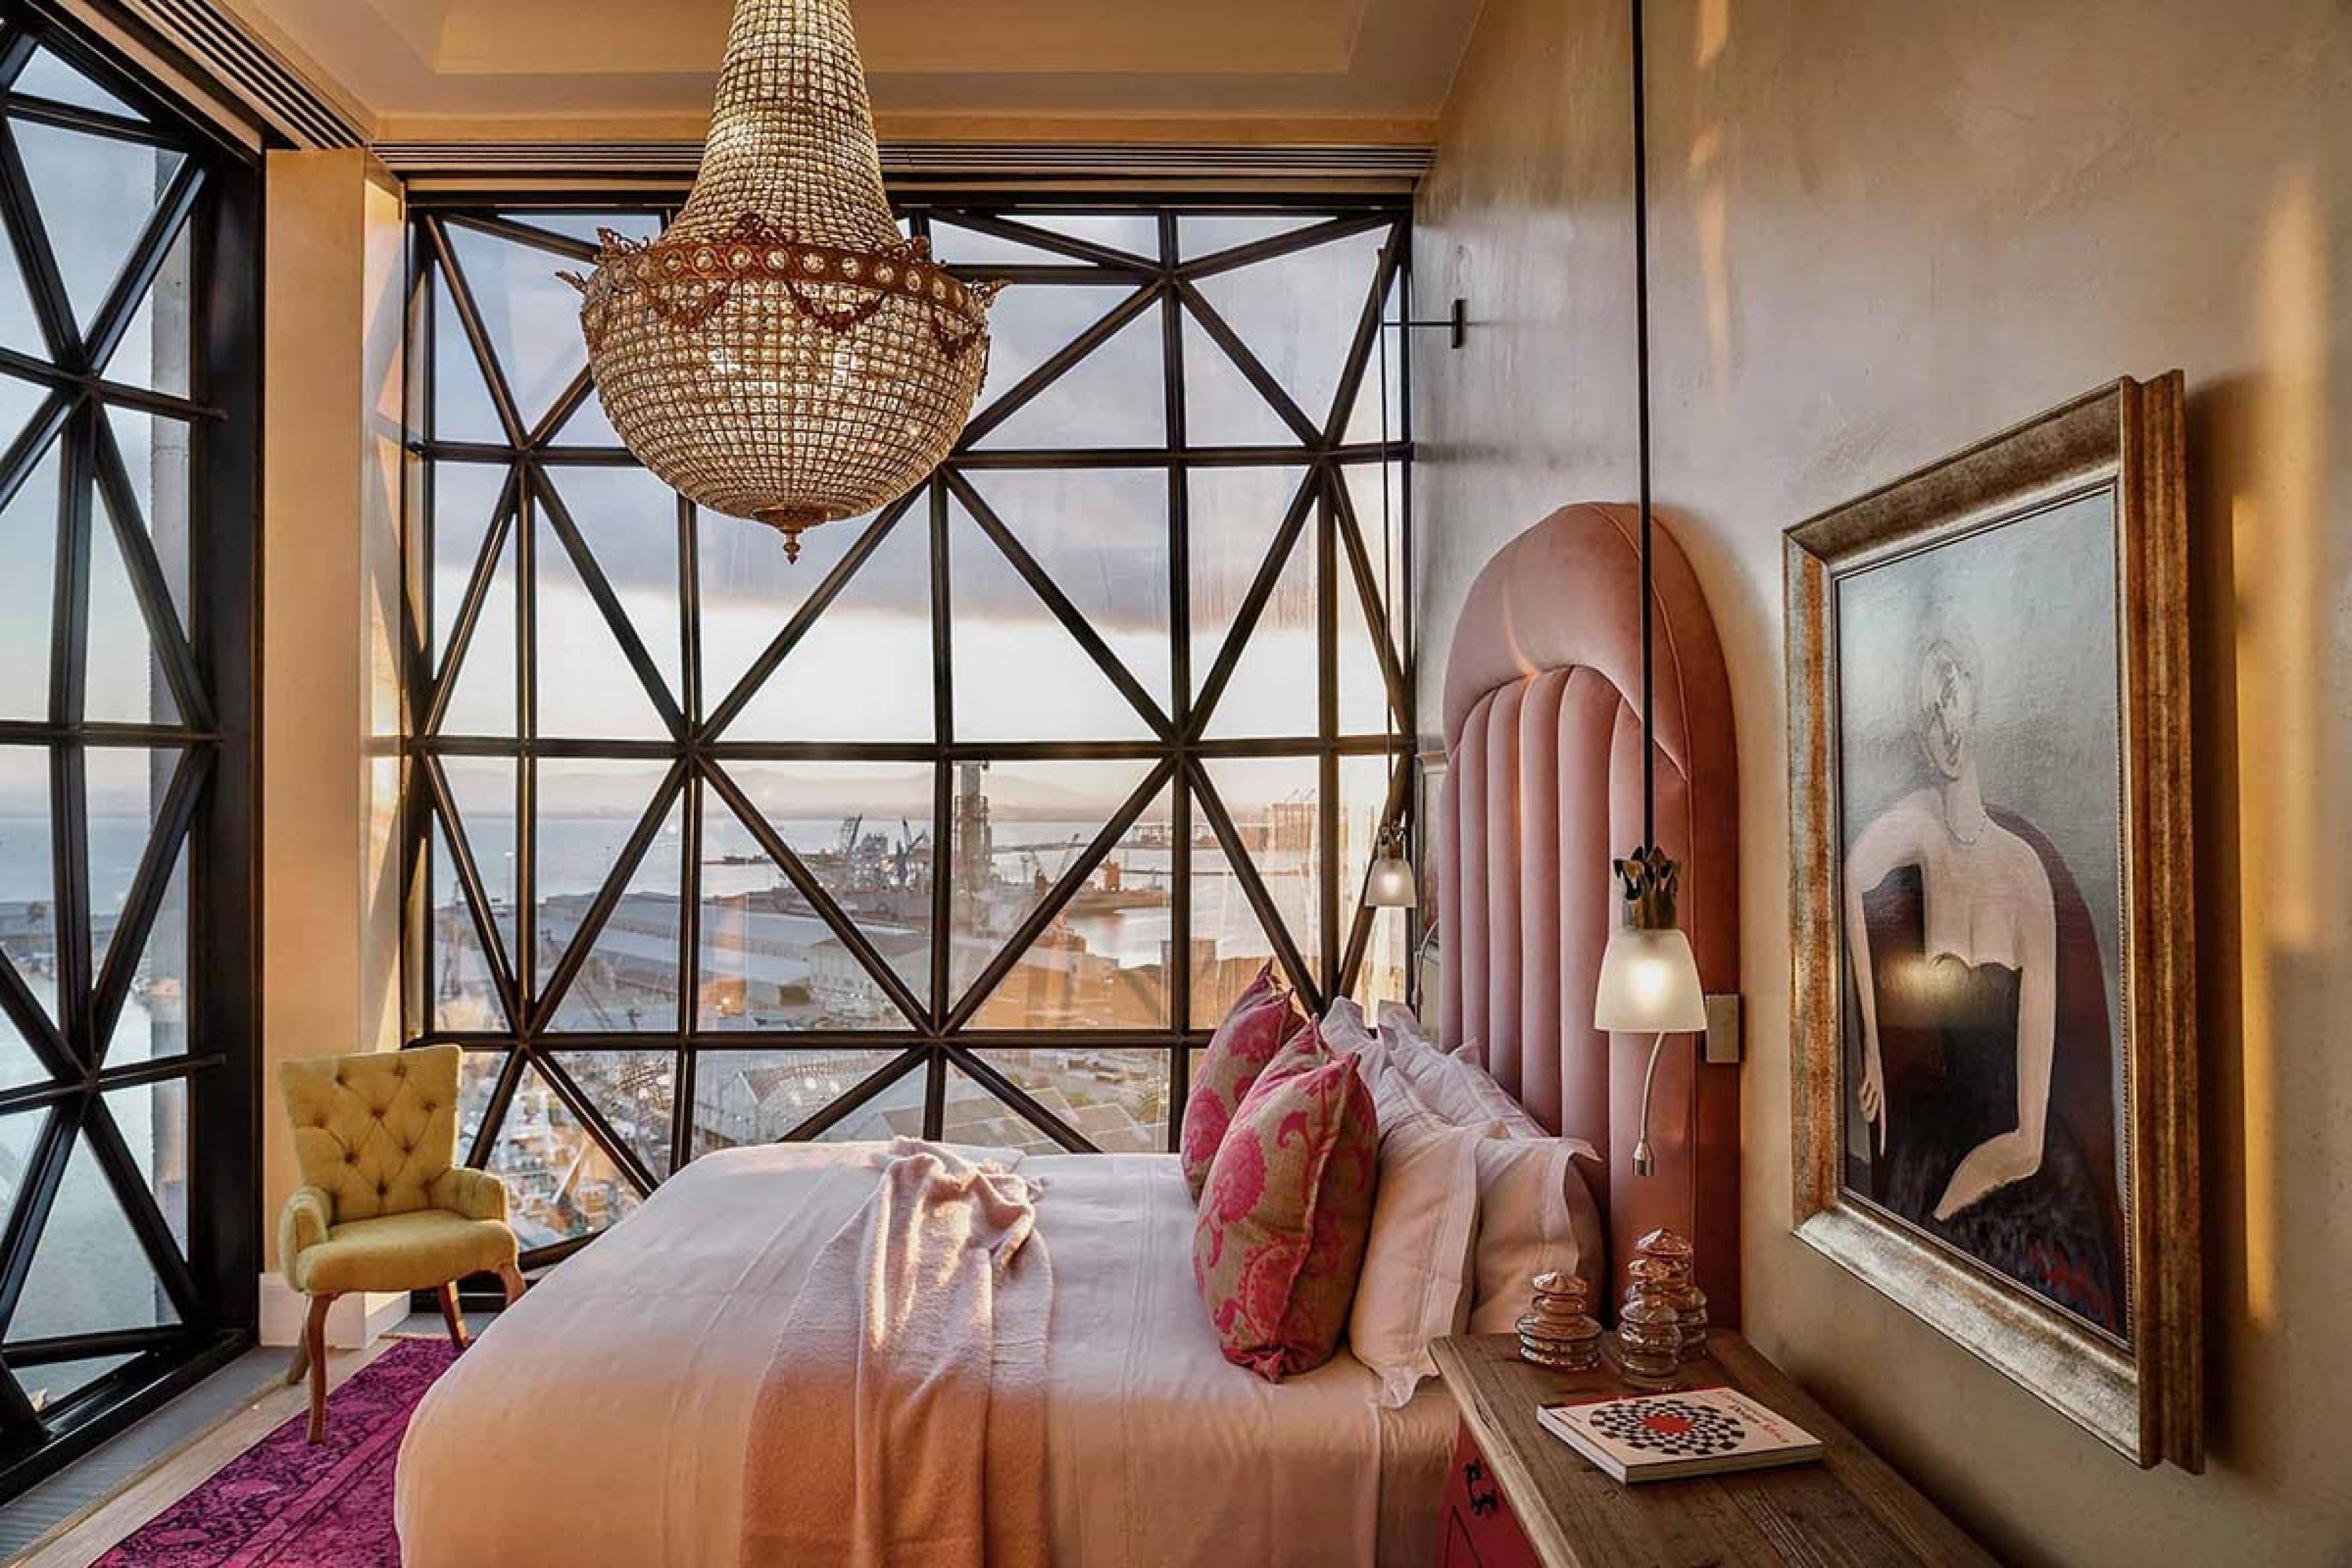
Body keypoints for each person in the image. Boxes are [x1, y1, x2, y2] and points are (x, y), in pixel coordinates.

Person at [1842, 625, 2121, 1331]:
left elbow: (2025, 1141)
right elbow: (1852, 876)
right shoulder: (1923, 828)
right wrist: (1870, 1043)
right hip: (1941, 1127)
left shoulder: (2026, 876)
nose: (1946, 728)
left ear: (1977, 699)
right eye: (1929, 715)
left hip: (2016, 1156)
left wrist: (1940, 1217)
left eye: (1951, 698)